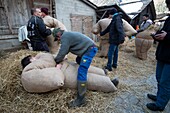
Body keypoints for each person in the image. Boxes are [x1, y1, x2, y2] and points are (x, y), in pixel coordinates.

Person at [52, 28, 98, 107]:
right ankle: (100, 72)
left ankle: (81, 99)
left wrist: (56, 61)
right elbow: (64, 51)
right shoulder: (67, 35)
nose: (59, 40)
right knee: (78, 61)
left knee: (81, 71)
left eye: (58, 38)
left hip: (89, 49)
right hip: (87, 49)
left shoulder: (65, 37)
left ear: (59, 35)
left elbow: (63, 51)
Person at [146, 0, 170, 111]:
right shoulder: (169, 18)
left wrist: (167, 36)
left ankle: (160, 104)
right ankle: (160, 96)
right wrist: (157, 35)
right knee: (159, 78)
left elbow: (168, 35)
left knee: (166, 81)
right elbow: (165, 33)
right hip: (163, 54)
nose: (167, 6)